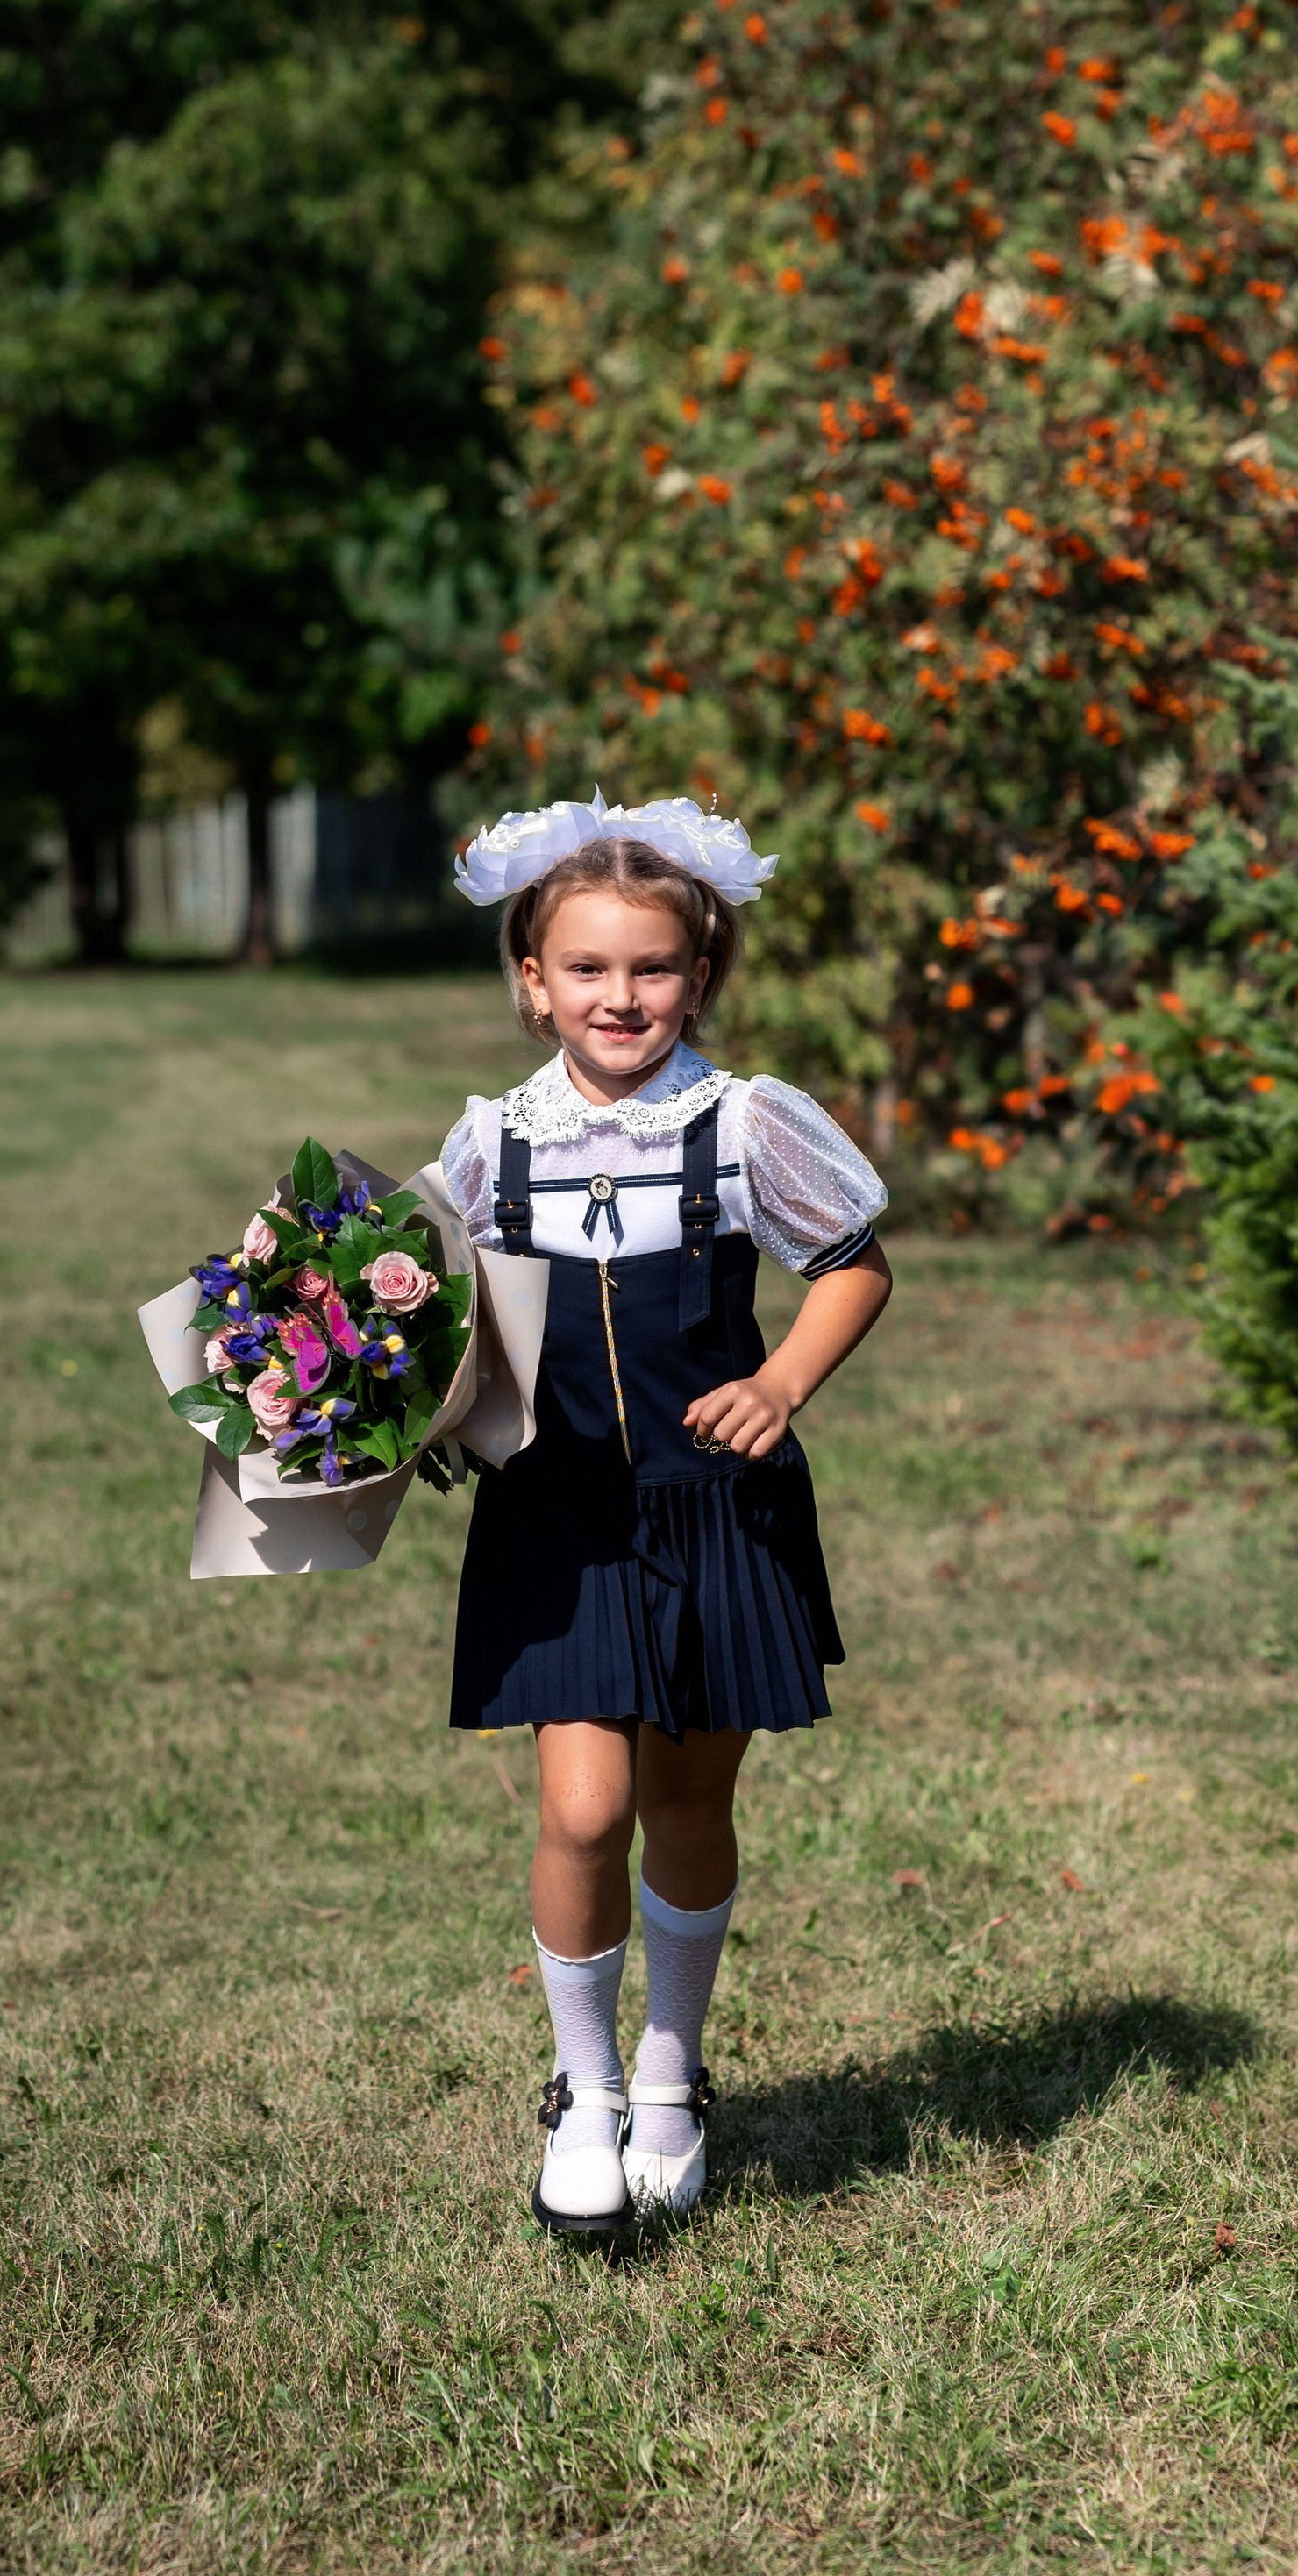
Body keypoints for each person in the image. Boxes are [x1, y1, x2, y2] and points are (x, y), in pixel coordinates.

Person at [441, 793, 892, 2236]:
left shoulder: (746, 1121)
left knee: (692, 1803)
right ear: (533, 980)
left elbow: (854, 1264)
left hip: (716, 1513)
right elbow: (442, 1321)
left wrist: (782, 1382)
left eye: (650, 969)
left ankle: (674, 2071)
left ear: (698, 979)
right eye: (585, 968)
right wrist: (424, 1421)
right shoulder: (489, 1145)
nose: (618, 996)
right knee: (585, 1811)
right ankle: (582, 2091)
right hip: (557, 1523)